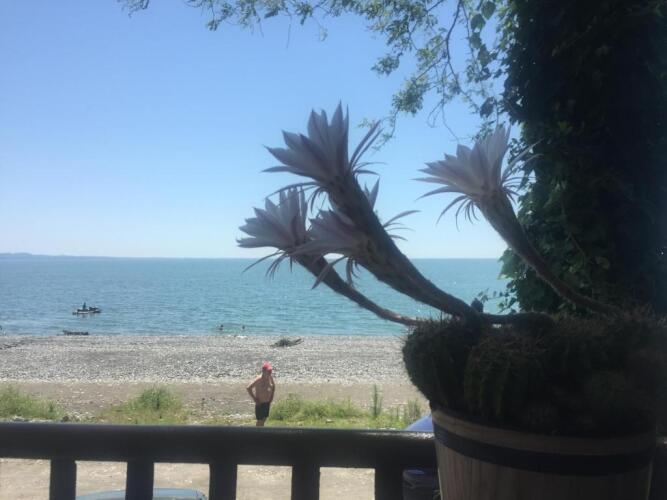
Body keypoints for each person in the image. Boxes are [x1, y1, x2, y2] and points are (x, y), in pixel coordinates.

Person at [246, 362, 275, 426]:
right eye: (268, 371)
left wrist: (272, 396)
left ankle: (261, 430)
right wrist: (255, 399)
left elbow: (273, 386)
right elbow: (248, 388)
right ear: (263, 371)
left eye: (270, 371)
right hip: (260, 403)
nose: (270, 373)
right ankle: (257, 431)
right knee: (260, 420)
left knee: (264, 419)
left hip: (267, 403)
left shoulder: (270, 377)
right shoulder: (259, 379)